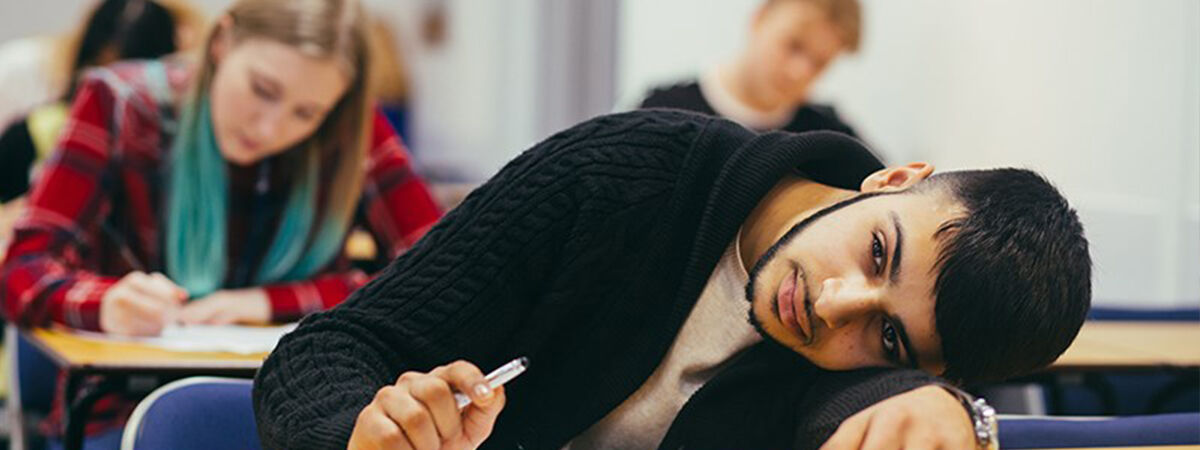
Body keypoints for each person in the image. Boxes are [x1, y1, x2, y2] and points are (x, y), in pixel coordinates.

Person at [253, 110, 1092, 449]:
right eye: (877, 254)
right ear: (894, 179)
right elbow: (326, 348)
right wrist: (357, 433)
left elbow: (865, 410)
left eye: (887, 336)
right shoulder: (625, 174)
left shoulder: (856, 380)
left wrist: (946, 412)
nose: (834, 304)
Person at [0, 0, 441, 443]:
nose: (270, 129)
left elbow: (435, 279)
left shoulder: (351, 130)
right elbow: (22, 269)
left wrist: (270, 301)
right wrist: (107, 302)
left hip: (306, 413)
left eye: (306, 113)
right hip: (124, 411)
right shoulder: (118, 104)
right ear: (222, 42)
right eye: (262, 89)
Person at [1, 0, 188, 204]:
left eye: (125, 85)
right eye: (95, 75)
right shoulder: (35, 132)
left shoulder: (177, 153)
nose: (104, 93)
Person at [640, 0, 862, 137]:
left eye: (819, 63)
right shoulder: (661, 114)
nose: (798, 72)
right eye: (793, 45)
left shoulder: (830, 137)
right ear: (759, 18)